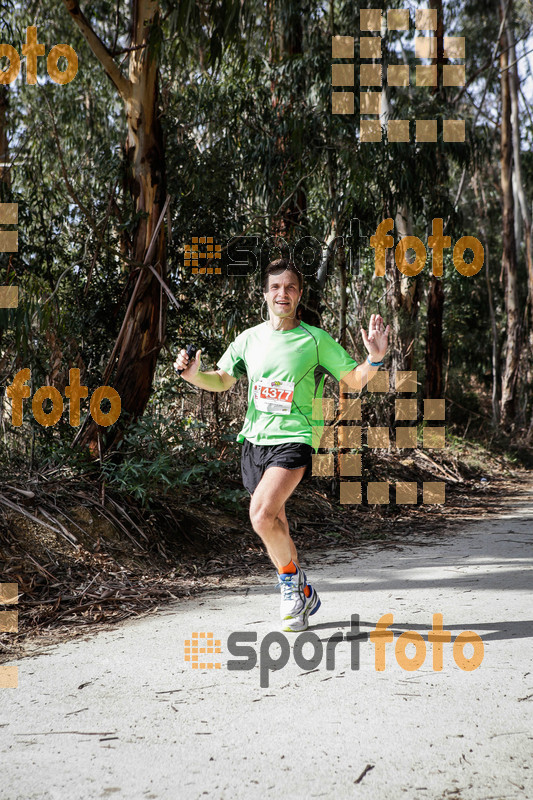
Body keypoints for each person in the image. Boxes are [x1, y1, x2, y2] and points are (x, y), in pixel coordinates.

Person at [174, 258, 389, 632]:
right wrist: (194, 375)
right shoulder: (248, 338)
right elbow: (223, 380)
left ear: (300, 295)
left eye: (290, 287)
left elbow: (353, 379)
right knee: (275, 522)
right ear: (265, 294)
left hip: (294, 439)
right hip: (254, 442)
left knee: (260, 515)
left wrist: (374, 359)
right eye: (275, 287)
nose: (282, 293)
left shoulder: (314, 339)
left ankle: (290, 584)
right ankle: (302, 591)